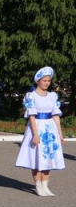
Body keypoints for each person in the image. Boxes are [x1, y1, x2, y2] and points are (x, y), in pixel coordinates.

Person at [15, 67, 64, 196]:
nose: (47, 83)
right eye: (44, 80)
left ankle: (45, 185)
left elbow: (55, 115)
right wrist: (35, 134)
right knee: (36, 157)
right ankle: (38, 185)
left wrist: (60, 133)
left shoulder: (53, 96)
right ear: (38, 81)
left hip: (50, 129)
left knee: (48, 156)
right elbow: (31, 115)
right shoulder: (31, 96)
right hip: (37, 127)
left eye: (48, 81)